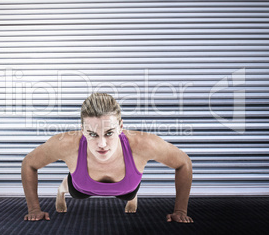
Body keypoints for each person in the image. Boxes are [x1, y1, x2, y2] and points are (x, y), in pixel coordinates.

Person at [21, 93, 193, 223]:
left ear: (121, 127)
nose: (102, 144)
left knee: (128, 194)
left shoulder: (143, 144)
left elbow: (183, 163)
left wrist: (180, 210)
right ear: (82, 131)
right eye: (93, 134)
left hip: (127, 188)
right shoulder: (66, 144)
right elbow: (29, 163)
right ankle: (60, 191)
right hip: (81, 187)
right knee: (73, 190)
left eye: (109, 133)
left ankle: (132, 196)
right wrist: (34, 208)